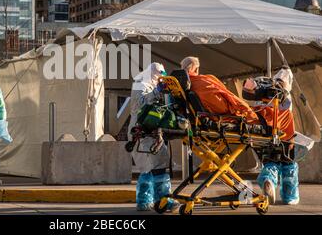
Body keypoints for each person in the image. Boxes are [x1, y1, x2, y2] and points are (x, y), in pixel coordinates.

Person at [180, 57, 299, 205]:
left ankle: (270, 173)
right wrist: (246, 110)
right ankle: (287, 155)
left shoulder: (182, 85)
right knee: (284, 116)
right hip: (230, 119)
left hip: (207, 120)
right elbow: (228, 101)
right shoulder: (205, 81)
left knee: (267, 113)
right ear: (196, 69)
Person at [128, 63, 179, 211]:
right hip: (143, 130)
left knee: (148, 168)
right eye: (159, 75)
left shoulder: (149, 83)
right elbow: (139, 105)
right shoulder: (140, 83)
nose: (160, 78)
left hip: (149, 130)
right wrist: (157, 92)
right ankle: (163, 201)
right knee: (158, 164)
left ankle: (144, 201)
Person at [256, 67, 299, 205]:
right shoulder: (286, 100)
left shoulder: (264, 99)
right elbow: (287, 124)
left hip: (266, 134)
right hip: (284, 136)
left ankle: (268, 179)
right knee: (288, 166)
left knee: (271, 162)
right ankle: (289, 197)